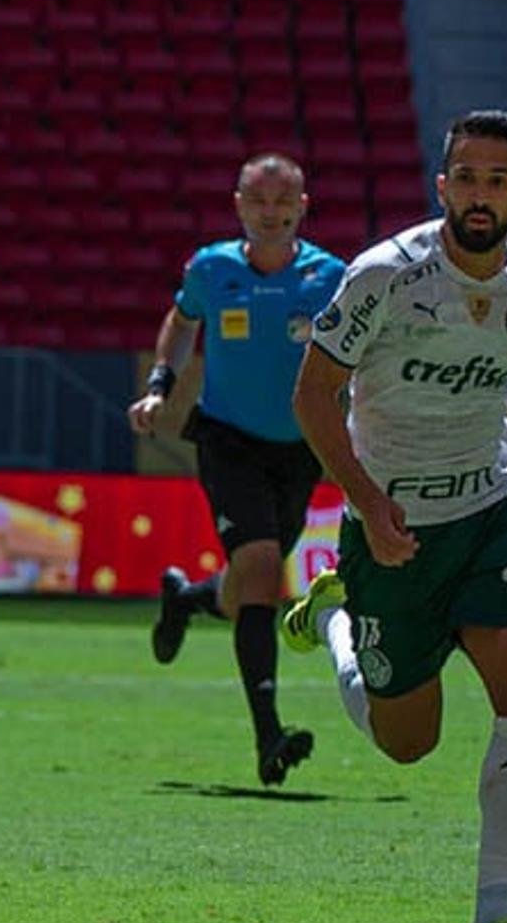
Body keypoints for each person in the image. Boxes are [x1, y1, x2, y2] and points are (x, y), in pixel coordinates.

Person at [281, 110, 507, 923]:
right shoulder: (383, 276)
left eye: (496, 180)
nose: (480, 194)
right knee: (409, 740)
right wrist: (366, 501)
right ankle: (337, 624)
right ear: (443, 187)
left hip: (491, 508)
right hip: (391, 529)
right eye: (466, 177)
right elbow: (315, 395)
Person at [125, 153, 345, 786]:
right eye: (259, 199)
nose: (270, 211)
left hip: (301, 447)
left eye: (283, 200)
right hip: (227, 440)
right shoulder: (212, 268)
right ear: (239, 205)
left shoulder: (330, 277)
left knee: (247, 581)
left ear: (303, 206)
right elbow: (180, 320)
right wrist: (160, 385)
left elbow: (359, 348)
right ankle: (268, 735)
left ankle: (189, 598)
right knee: (261, 568)